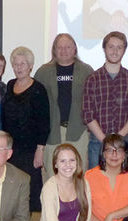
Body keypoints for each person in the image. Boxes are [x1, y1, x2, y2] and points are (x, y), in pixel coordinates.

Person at [35, 33, 94, 176]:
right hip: (52, 133)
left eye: (68, 47)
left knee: (78, 174)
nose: (64, 50)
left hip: (78, 131)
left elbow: (93, 102)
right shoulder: (43, 72)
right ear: (54, 50)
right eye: (59, 47)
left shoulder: (87, 71)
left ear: (75, 48)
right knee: (52, 174)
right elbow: (36, 106)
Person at [82, 31, 128, 169]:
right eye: (111, 47)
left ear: (124, 50)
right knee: (95, 185)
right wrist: (105, 141)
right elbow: (88, 114)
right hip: (98, 142)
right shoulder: (92, 79)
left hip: (123, 141)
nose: (115, 51)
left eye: (119, 47)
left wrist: (117, 139)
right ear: (104, 49)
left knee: (122, 184)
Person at [1, 46, 50, 212]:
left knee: (30, 192)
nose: (19, 67)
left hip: (30, 151)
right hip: (11, 151)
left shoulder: (38, 89)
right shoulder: (10, 85)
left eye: (23, 63)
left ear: (30, 66)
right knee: (11, 192)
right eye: (15, 64)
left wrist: (40, 149)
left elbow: (44, 122)